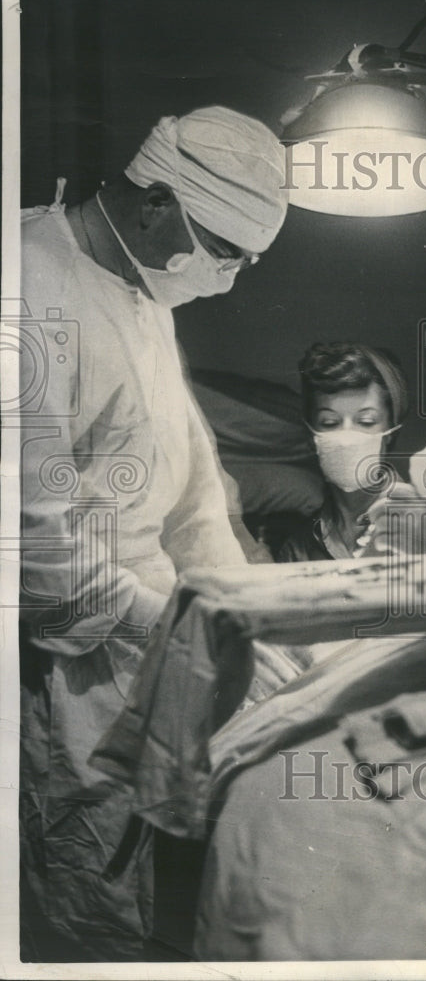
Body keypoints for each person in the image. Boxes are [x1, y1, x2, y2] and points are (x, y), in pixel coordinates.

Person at [18, 105, 288, 960]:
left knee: (157, 853)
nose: (230, 279)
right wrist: (169, 626)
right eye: (224, 253)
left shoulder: (137, 283)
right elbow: (35, 544)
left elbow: (186, 473)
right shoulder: (26, 290)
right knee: (83, 879)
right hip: (65, 647)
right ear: (155, 203)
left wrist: (236, 603)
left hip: (143, 621)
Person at [277, 342, 426, 562]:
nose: (346, 438)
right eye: (330, 422)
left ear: (390, 430)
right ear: (312, 433)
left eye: (366, 421)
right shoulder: (298, 550)